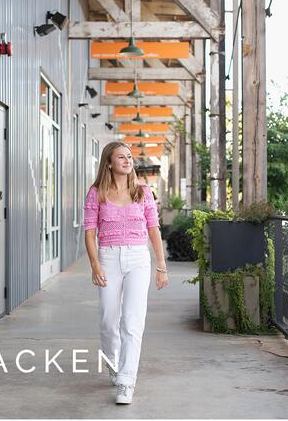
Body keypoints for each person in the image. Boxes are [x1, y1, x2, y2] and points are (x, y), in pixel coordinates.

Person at [82, 141, 168, 405]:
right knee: (109, 320)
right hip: (108, 257)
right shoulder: (97, 192)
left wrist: (161, 267)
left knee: (132, 322)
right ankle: (114, 362)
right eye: (121, 157)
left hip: (138, 259)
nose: (127, 161)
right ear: (109, 162)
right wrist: (95, 264)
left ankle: (126, 381)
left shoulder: (143, 192)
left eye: (129, 157)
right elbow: (89, 232)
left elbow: (154, 230)